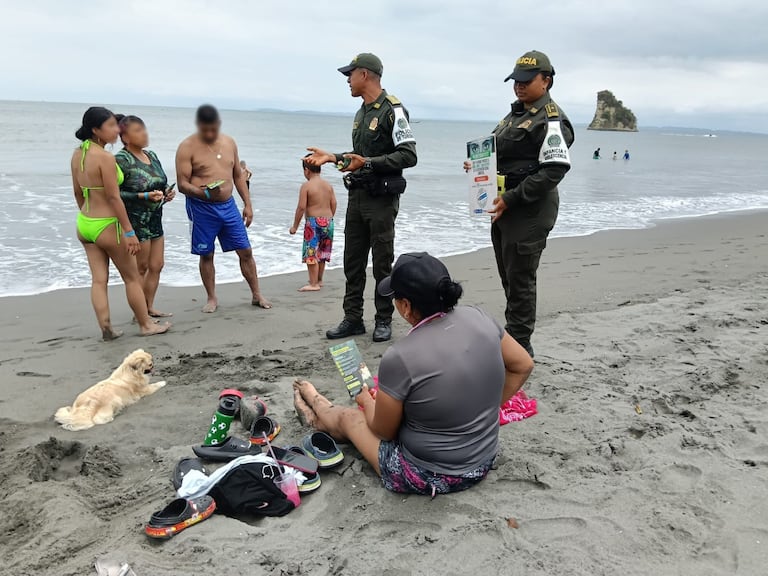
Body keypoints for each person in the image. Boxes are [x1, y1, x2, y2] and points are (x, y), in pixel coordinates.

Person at [293, 252, 534, 495]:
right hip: (484, 456)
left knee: (350, 418)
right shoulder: (479, 316)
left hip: (431, 473)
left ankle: (316, 411)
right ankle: (318, 406)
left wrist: (365, 400)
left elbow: (383, 431)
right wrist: (487, 407)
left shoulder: (401, 356)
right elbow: (523, 365)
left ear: (406, 306)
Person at [463, 50, 574, 357]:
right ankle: (513, 341)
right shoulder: (515, 115)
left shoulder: (551, 119)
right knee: (509, 277)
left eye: (526, 80)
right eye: (515, 80)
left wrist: (511, 198)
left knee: (521, 280)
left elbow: (554, 170)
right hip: (504, 207)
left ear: (546, 81)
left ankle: (520, 349)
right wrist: (478, 166)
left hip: (529, 210)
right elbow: (499, 152)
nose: (519, 86)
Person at [305, 53, 418, 343]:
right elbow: (357, 159)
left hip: (381, 200)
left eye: (350, 74)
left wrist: (367, 163)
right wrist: (333, 158)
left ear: (365, 75)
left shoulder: (393, 110)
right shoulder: (361, 113)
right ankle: (353, 318)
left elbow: (408, 155)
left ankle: (383, 320)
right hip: (357, 198)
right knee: (352, 262)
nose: (347, 79)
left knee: (382, 263)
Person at [70, 107, 171, 339]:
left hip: (85, 223)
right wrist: (128, 231)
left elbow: (78, 192)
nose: (117, 130)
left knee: (98, 280)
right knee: (132, 277)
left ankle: (106, 329)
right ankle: (146, 325)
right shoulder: (105, 157)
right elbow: (114, 197)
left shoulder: (78, 154)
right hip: (108, 224)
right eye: (111, 126)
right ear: (96, 130)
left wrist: (88, 217)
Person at [175, 104, 271, 312]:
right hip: (201, 208)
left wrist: (248, 204)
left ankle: (256, 294)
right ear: (199, 126)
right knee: (207, 254)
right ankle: (211, 298)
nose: (210, 134)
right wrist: (204, 193)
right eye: (205, 130)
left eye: (213, 129)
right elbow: (182, 184)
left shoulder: (229, 143)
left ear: (218, 125)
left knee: (245, 250)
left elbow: (237, 174)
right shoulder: (187, 147)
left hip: (228, 206)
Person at [115, 115, 174, 318]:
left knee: (157, 265)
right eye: (138, 130)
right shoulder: (121, 160)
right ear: (125, 137)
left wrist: (167, 191)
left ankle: (148, 307)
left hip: (155, 217)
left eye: (144, 129)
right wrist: (144, 195)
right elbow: (115, 194)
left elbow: (160, 181)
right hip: (135, 220)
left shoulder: (152, 155)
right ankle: (139, 314)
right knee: (140, 267)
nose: (144, 134)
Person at [289, 155, 337, 291]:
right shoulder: (328, 185)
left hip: (313, 223)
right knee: (322, 252)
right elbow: (334, 203)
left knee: (311, 252)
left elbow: (301, 207)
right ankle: (319, 280)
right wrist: (328, 217)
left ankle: (313, 283)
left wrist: (295, 226)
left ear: (306, 170)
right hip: (328, 222)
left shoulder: (306, 186)